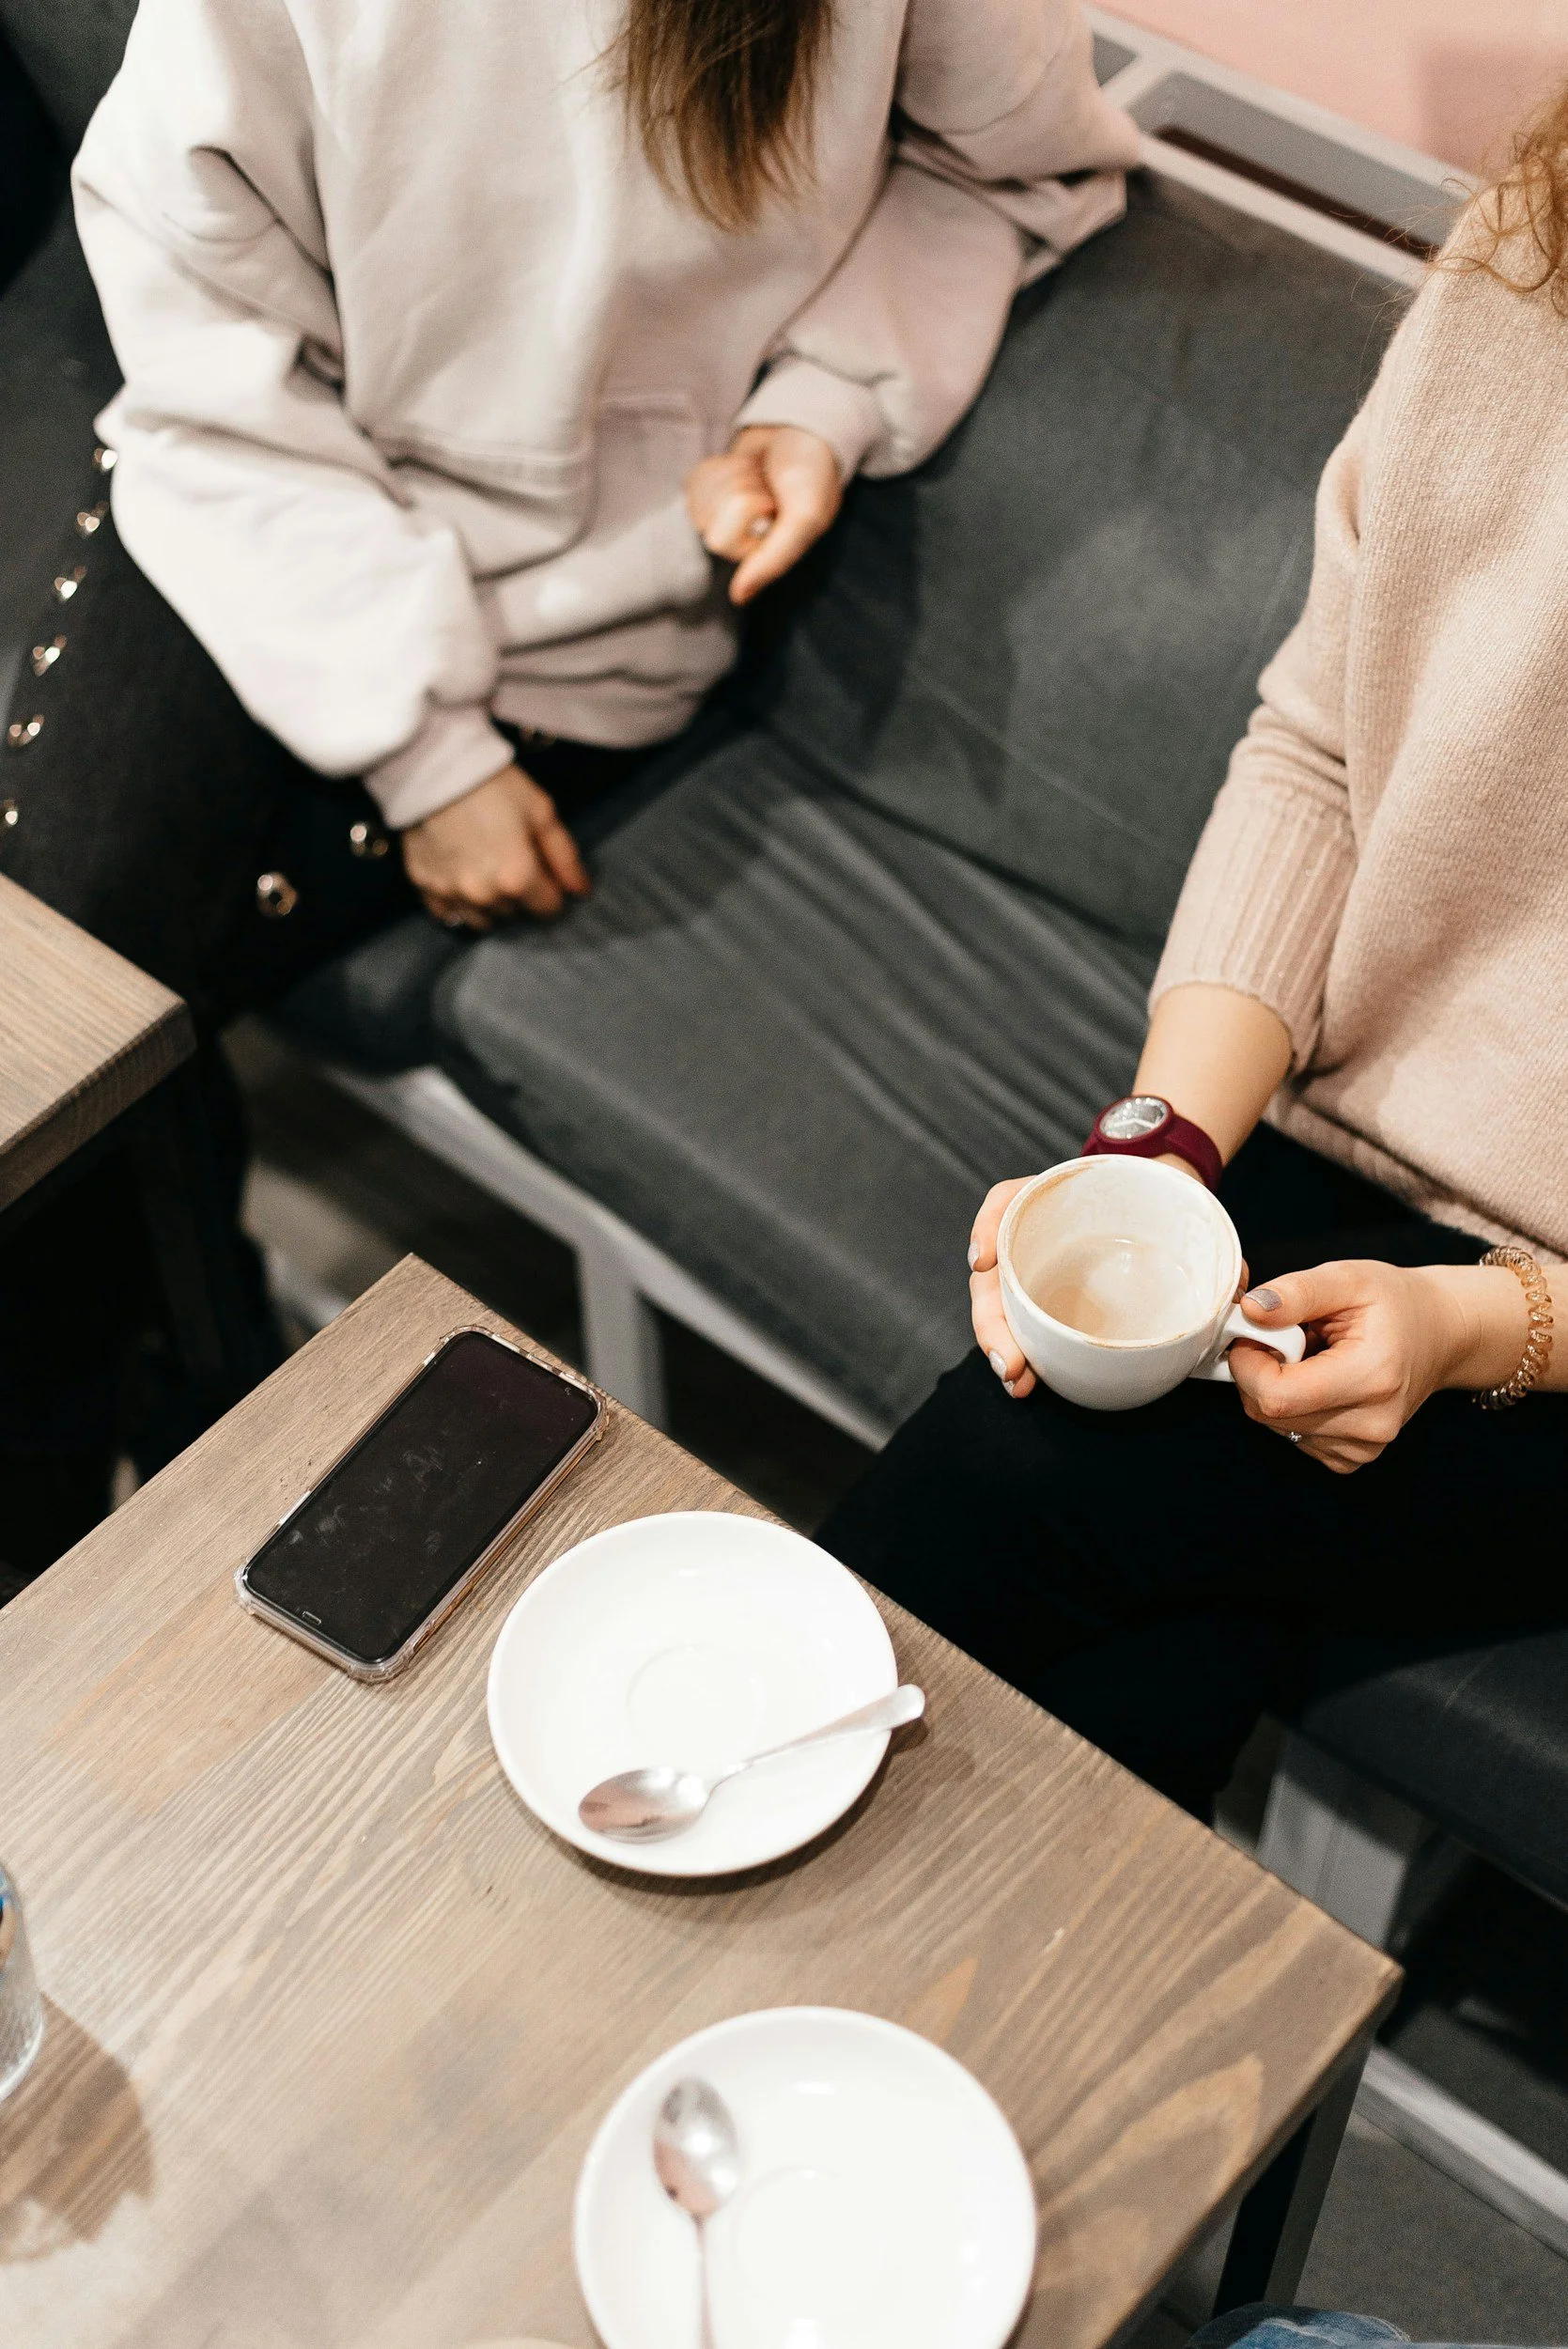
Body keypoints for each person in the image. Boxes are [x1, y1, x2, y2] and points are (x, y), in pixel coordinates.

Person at [0, 0, 1139, 1581]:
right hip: (244, 492)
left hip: (585, 609)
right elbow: (195, 309)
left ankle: (137, 1458)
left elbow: (1008, 168)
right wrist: (424, 746)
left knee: (110, 1030)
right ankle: (156, 1424)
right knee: (53, 997)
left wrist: (817, 404)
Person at [819, 90, 1568, 1822]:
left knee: (1016, 1487)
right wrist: (1158, 1153)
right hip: (1362, 1150)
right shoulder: (1524, 267)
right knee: (1138, 1654)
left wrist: (1487, 1327)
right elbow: (1322, 747)